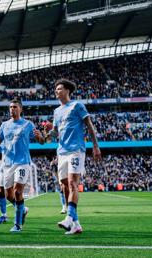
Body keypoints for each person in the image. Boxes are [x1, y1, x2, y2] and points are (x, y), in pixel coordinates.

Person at [44, 79, 101, 235]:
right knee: (65, 185)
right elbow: (56, 134)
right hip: (61, 151)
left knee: (72, 182)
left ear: (67, 91)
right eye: (55, 89)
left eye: (59, 89)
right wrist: (48, 131)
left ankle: (69, 219)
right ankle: (76, 224)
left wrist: (95, 146)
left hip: (76, 149)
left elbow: (89, 125)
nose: (56, 91)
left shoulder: (77, 105)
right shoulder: (56, 111)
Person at [0, 99, 45, 232]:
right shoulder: (4, 125)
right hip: (7, 164)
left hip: (22, 162)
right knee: (8, 195)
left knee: (18, 191)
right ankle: (23, 210)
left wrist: (41, 136)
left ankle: (17, 224)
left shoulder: (28, 124)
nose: (11, 109)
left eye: (14, 107)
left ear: (20, 109)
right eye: (10, 107)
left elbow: (41, 142)